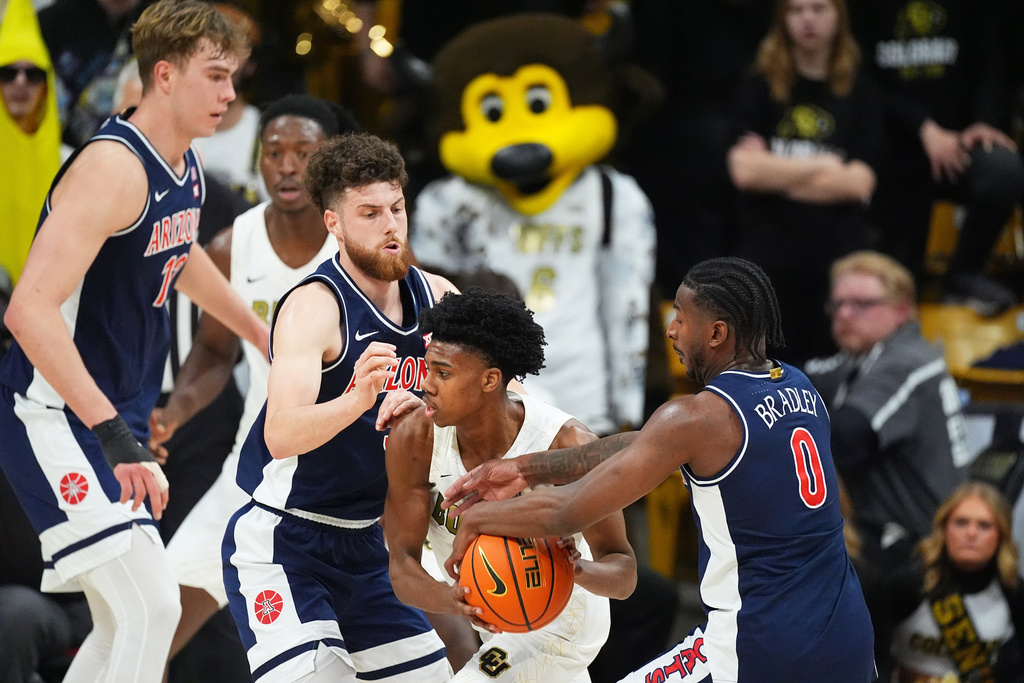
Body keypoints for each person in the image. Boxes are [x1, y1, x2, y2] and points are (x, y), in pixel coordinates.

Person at [441, 256, 877, 682]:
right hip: (847, 631)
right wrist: (527, 468)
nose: (670, 330)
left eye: (681, 318)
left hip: (760, 641)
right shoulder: (801, 387)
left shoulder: (697, 416)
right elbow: (643, 444)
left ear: (716, 332)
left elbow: (566, 513)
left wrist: (476, 517)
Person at [0, 2, 269, 680]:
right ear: (166, 76)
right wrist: (114, 435)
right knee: (151, 604)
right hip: (51, 416)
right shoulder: (113, 168)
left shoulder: (185, 166)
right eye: (215, 75)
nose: (230, 93)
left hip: (104, 419)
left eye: (232, 76)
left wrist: (258, 331)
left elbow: (181, 253)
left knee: (134, 613)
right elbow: (27, 310)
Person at [222, 132, 458, 682]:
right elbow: (280, 434)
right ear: (334, 224)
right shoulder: (313, 306)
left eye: (396, 208)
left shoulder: (440, 299)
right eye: (370, 213)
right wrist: (356, 399)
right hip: (286, 542)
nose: (390, 225)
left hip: (368, 542)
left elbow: (495, 398)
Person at [146, 94, 357, 674]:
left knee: (401, 636)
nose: (286, 166)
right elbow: (214, 353)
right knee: (153, 620)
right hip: (255, 470)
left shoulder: (363, 244)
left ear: (331, 159)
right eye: (273, 152)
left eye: (303, 152)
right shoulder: (232, 245)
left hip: (351, 477)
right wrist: (176, 412)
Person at [384, 288, 637, 681]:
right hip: (494, 621)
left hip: (564, 619)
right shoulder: (415, 437)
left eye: (444, 373)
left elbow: (623, 575)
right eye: (428, 368)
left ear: (490, 380)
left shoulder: (565, 444)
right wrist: (453, 600)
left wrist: (576, 569)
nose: (427, 385)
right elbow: (402, 566)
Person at [804, 250, 969, 675]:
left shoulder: (910, 360)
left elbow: (848, 437)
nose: (844, 314)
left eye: (861, 304)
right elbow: (793, 384)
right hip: (880, 530)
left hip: (924, 537)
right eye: (837, 304)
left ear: (901, 310)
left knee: (843, 579)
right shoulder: (855, 362)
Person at [728, 0, 882, 366]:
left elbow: (858, 184)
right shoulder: (758, 86)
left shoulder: (860, 92)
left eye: (818, 9)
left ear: (839, 18)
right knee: (769, 381)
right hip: (768, 262)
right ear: (782, 20)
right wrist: (822, 164)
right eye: (796, 10)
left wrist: (777, 173)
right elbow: (745, 173)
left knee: (823, 383)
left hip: (834, 265)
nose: (807, 19)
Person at [849, 0, 1024, 316]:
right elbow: (861, 79)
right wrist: (922, 128)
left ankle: (963, 275)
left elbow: (991, 62)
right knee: (901, 276)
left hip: (959, 145)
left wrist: (984, 121)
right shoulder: (862, 9)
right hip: (891, 151)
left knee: (1004, 171)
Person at [888, 481, 1024, 682]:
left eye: (984, 525)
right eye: (961, 522)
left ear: (1001, 535)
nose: (971, 533)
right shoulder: (908, 583)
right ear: (943, 529)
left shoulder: (1012, 588)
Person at [0, 0, 61, 284]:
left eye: (33, 74)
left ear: (47, 85)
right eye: (7, 73)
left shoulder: (73, 166)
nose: (20, 83)